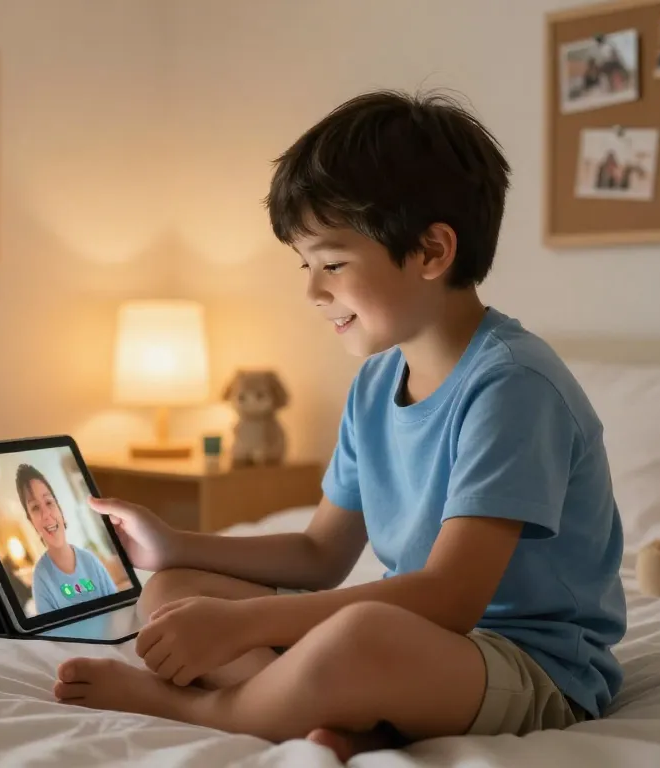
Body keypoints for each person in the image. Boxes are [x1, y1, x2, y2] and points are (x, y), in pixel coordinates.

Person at [51, 89, 627, 762]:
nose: (312, 292)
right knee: (176, 592)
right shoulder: (378, 382)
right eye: (306, 265)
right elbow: (320, 556)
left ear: (432, 251)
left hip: (531, 666)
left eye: (333, 263)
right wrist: (174, 543)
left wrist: (243, 624)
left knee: (358, 639)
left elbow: (449, 600)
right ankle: (335, 715)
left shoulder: (513, 386)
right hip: (420, 644)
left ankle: (204, 707)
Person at [15, 463, 119, 613]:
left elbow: (117, 608)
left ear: (60, 511)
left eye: (49, 502)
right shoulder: (41, 578)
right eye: (35, 508)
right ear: (31, 522)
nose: (46, 515)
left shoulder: (91, 561)